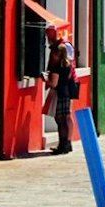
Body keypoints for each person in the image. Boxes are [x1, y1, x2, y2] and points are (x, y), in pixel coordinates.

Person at [44, 24, 78, 155]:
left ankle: (65, 143)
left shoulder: (65, 47)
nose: (47, 37)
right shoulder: (63, 58)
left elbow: (54, 82)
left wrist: (47, 80)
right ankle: (65, 144)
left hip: (64, 89)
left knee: (63, 118)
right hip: (66, 88)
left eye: (49, 34)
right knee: (64, 117)